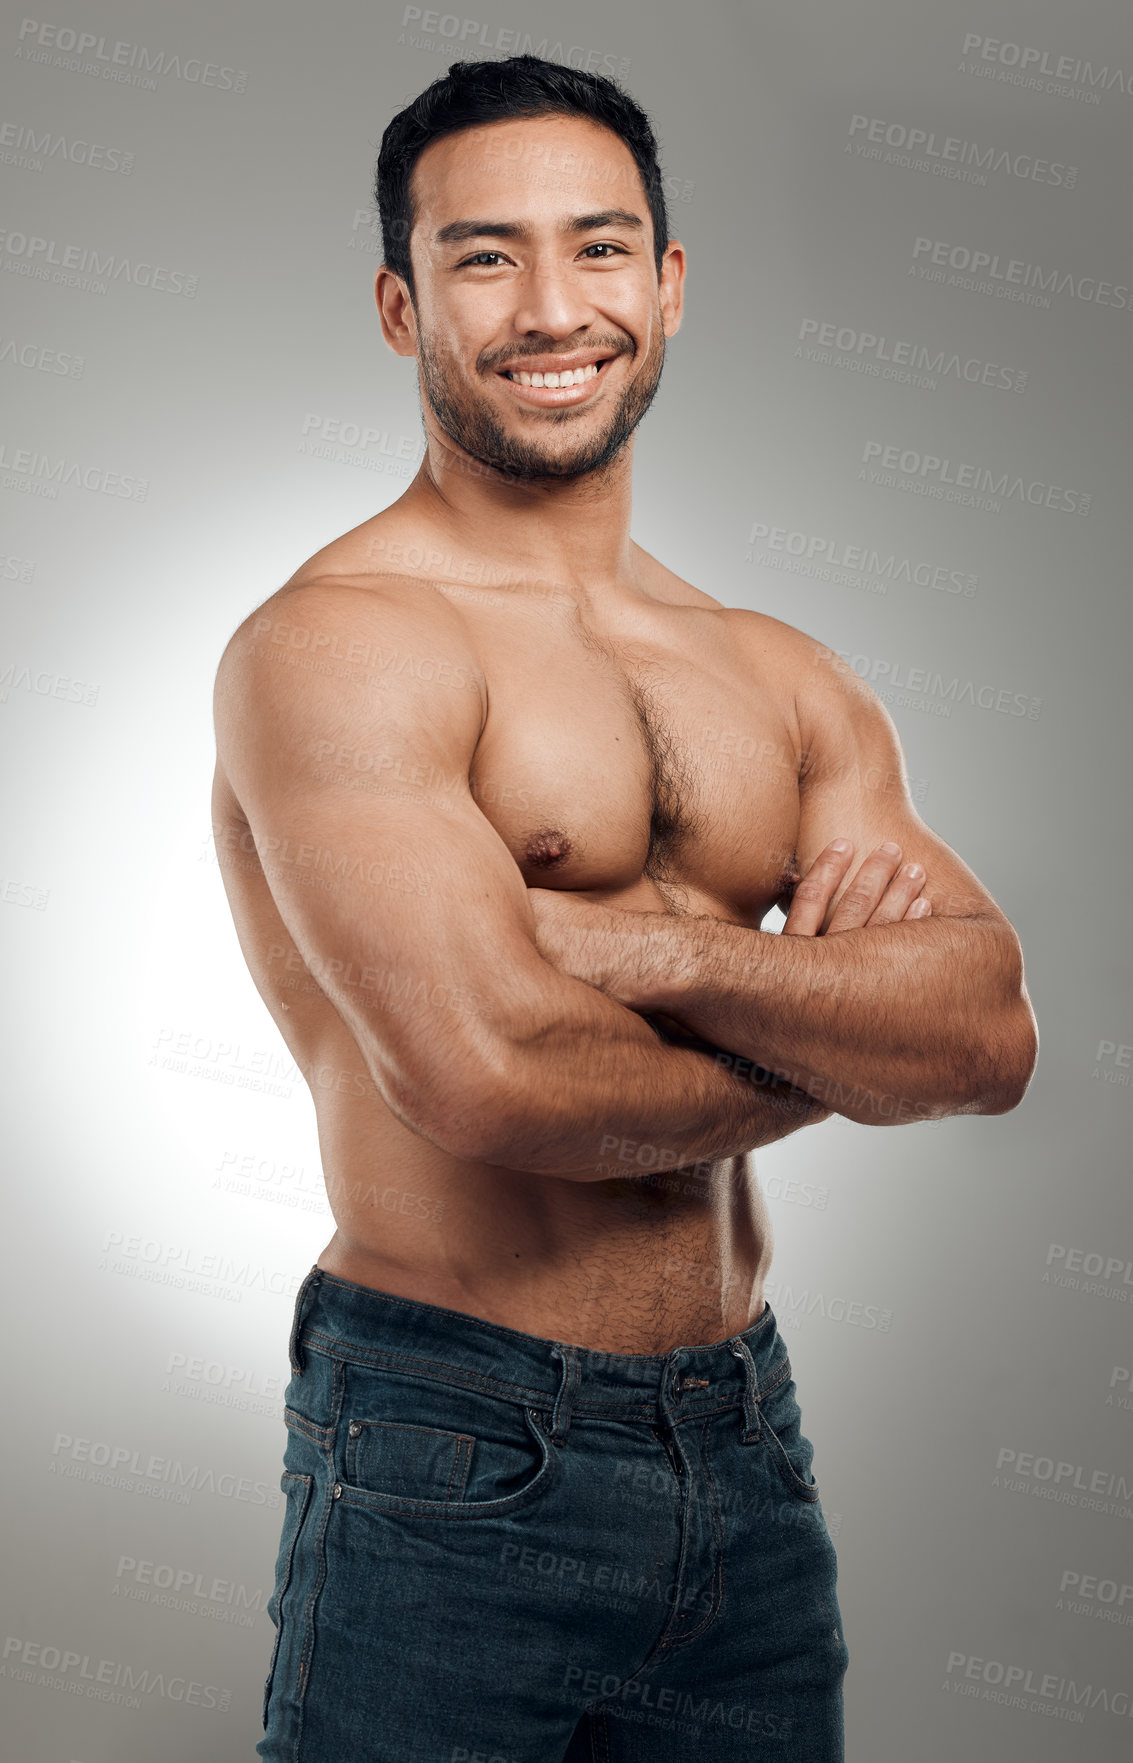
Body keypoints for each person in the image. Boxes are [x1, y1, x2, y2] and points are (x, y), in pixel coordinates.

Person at [211, 54, 1037, 1763]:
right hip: (451, 1434)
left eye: (597, 248)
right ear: (401, 302)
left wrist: (639, 950)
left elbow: (985, 1033)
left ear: (666, 288)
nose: (548, 307)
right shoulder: (339, 647)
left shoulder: (778, 674)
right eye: (483, 255)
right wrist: (832, 1029)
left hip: (746, 1438)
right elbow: (489, 1081)